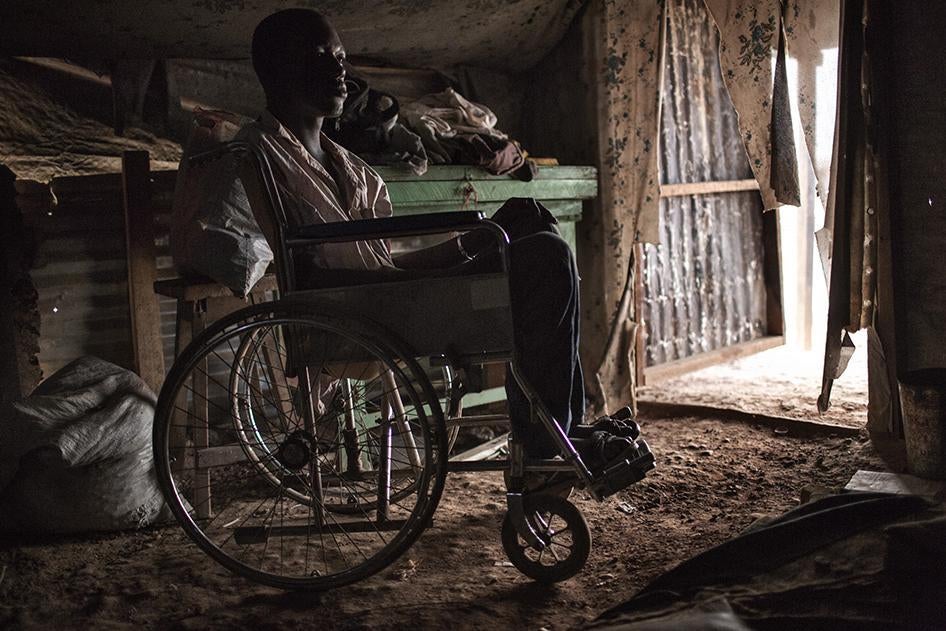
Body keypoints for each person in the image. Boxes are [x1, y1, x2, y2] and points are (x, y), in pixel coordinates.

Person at [236, 9, 630, 467]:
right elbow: (328, 275)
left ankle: (562, 425)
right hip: (362, 315)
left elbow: (382, 262)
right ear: (279, 68)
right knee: (547, 254)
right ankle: (547, 443)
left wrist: (471, 243)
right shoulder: (266, 153)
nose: (340, 69)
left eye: (340, 56)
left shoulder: (347, 164)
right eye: (321, 55)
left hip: (385, 295)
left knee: (529, 218)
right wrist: (464, 252)